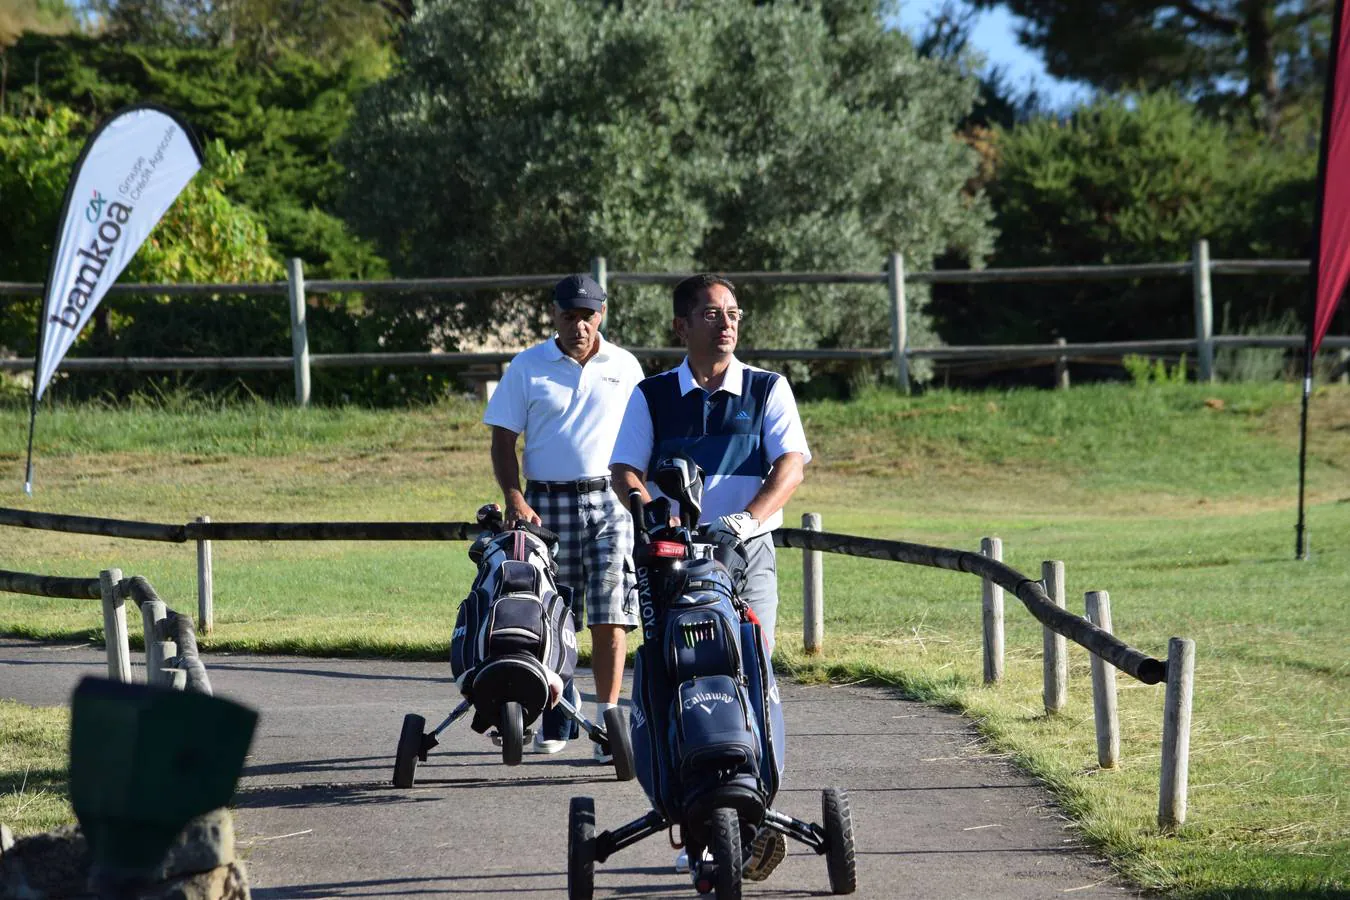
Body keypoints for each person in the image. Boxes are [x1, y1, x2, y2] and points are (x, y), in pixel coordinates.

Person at [609, 273, 809, 880]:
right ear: (682, 325)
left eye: (734, 313)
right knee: (676, 680)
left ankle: (748, 817)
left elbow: (791, 466)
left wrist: (746, 522)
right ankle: (695, 822)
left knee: (752, 671)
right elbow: (625, 470)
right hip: (673, 560)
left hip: (747, 556)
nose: (727, 323)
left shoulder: (768, 389)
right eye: (713, 313)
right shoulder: (651, 395)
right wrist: (650, 510)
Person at [482, 274, 644, 761]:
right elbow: (502, 439)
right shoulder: (528, 366)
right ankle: (558, 709)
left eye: (587, 315)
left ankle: (608, 720)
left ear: (603, 314)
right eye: (569, 315)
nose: (579, 325)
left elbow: (642, 435)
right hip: (544, 504)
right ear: (554, 315)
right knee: (552, 612)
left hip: (610, 500)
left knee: (610, 609)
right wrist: (513, 497)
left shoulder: (625, 366)